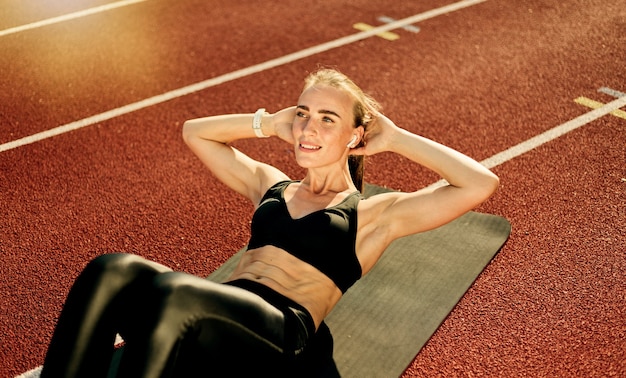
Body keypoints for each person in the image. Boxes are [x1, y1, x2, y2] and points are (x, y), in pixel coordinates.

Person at [41, 68, 499, 377]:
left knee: (176, 293)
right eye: (304, 114)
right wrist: (269, 123)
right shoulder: (273, 186)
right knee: (112, 269)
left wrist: (395, 138)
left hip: (282, 342)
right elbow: (195, 132)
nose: (308, 128)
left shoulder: (373, 214)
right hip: (222, 316)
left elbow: (478, 184)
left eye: (327, 119)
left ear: (356, 135)